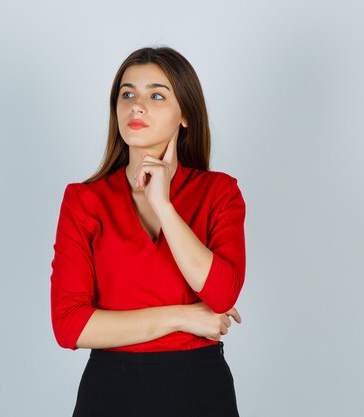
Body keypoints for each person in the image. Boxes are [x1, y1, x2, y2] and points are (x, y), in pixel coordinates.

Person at [49, 46, 246, 417]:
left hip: (199, 390)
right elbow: (70, 326)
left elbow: (221, 295)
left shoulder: (219, 192)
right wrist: (183, 317)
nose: (137, 106)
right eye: (127, 94)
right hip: (110, 391)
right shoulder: (84, 200)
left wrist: (164, 205)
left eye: (156, 95)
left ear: (185, 114)